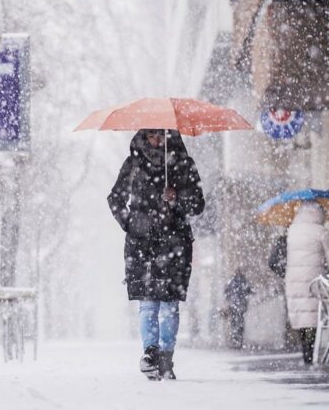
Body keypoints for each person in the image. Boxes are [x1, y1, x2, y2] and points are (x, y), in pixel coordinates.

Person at [107, 129, 205, 380]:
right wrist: (130, 222)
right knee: (148, 303)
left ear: (169, 137)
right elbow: (115, 198)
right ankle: (150, 353)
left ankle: (166, 357)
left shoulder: (184, 164)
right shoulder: (134, 164)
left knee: (170, 305)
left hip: (175, 242)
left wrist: (176, 199)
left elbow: (198, 204)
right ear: (143, 137)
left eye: (161, 136)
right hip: (143, 242)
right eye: (151, 136)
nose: (156, 141)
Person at [285, 201, 329, 364]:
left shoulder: (292, 230)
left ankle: (305, 351)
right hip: (314, 281)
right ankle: (310, 350)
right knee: (313, 316)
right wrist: (328, 268)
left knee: (301, 316)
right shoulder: (321, 231)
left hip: (293, 279)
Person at [224, 269, 253, 349]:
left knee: (234, 322)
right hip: (241, 305)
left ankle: (235, 339)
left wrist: (228, 300)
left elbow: (226, 292)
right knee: (240, 322)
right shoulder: (243, 281)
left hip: (233, 305)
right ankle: (239, 339)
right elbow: (249, 290)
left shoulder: (231, 281)